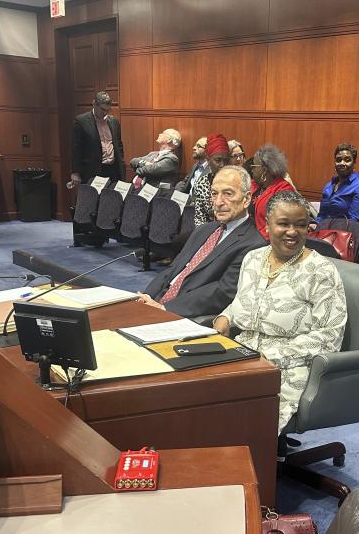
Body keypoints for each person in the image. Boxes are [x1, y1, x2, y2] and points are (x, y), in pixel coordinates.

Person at [214, 190, 347, 432]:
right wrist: (226, 317)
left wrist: (271, 357)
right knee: (192, 396)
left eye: (301, 225)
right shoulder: (253, 259)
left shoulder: (321, 271)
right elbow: (244, 300)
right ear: (267, 224)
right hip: (241, 354)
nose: (292, 232)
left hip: (288, 368)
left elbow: (330, 336)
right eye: (283, 224)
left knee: (234, 420)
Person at [138, 164, 266, 319]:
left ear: (246, 199)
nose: (218, 202)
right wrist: (146, 297)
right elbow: (173, 270)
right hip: (156, 303)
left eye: (228, 194)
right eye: (214, 193)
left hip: (183, 313)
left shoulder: (254, 243)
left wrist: (164, 308)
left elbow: (223, 292)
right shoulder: (204, 230)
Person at [69, 92, 126, 242]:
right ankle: (88, 235)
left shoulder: (114, 122)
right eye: (102, 109)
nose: (105, 113)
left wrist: (121, 163)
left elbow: (118, 145)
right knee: (92, 202)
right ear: (94, 104)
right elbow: (76, 149)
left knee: (110, 202)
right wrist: (75, 173)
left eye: (107, 110)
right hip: (93, 169)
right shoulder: (81, 121)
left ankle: (105, 233)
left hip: (112, 168)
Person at [314, 142, 359, 247]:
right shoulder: (329, 185)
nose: (342, 163)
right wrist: (314, 224)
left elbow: (355, 222)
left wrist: (326, 231)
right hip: (323, 234)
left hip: (345, 238)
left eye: (347, 160)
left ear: (354, 163)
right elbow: (322, 215)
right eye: (338, 159)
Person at [250, 144, 295, 240]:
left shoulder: (284, 190)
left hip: (267, 241)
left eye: (254, 166)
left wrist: (253, 240)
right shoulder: (254, 184)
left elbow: (280, 224)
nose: (252, 170)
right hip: (248, 236)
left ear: (264, 170)